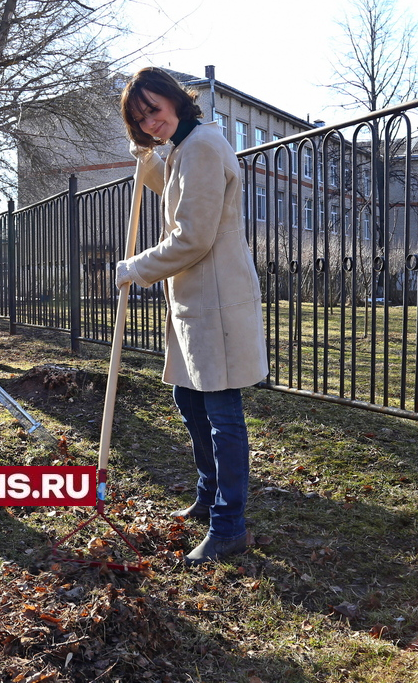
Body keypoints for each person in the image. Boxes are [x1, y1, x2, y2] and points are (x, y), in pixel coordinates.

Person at [116, 67, 269, 565]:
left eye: (154, 110)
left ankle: (229, 525)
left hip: (216, 300)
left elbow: (193, 236)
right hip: (194, 301)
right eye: (141, 119)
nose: (151, 123)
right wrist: (152, 164)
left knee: (222, 412)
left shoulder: (202, 145)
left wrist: (135, 268)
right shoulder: (186, 148)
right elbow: (185, 193)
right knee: (190, 400)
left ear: (176, 100)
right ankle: (209, 496)